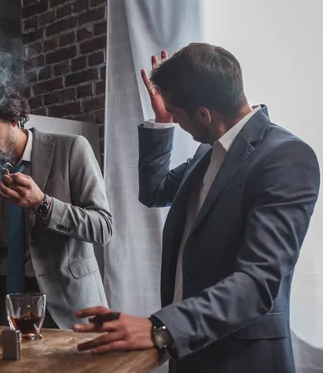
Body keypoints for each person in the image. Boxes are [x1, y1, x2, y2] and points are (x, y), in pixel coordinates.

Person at [73, 43, 320, 372]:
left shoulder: (286, 158)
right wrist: (163, 121)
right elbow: (155, 191)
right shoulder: (208, 153)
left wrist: (161, 329)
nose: (176, 119)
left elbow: (256, 282)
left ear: (204, 114)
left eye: (176, 113)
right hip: (189, 352)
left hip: (243, 361)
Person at [0, 83, 112, 329]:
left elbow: (102, 228)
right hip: (2, 305)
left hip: (66, 304)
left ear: (13, 119)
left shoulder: (71, 148)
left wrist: (43, 204)